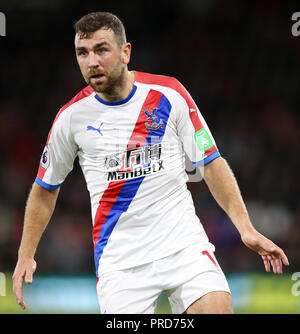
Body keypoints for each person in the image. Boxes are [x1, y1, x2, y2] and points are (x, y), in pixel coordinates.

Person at [12, 11, 289, 314]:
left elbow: (210, 162)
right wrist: (26, 254)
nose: (92, 62)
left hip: (183, 247)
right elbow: (45, 188)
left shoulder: (168, 94)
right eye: (83, 53)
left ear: (125, 52)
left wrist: (245, 228)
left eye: (101, 49)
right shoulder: (71, 118)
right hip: (121, 264)